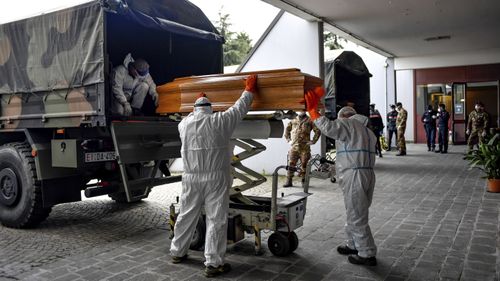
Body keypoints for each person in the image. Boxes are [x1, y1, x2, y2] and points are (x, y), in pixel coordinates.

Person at [170, 75, 258, 277]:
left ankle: (177, 251)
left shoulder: (184, 125)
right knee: (216, 218)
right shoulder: (221, 121)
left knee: (186, 214)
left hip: (191, 178)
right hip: (215, 178)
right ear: (211, 108)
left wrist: (197, 104)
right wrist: (249, 90)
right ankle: (213, 262)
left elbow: (191, 116)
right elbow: (239, 108)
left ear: (194, 109)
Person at [305, 89, 378, 266]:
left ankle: (366, 253)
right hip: (365, 174)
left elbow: (329, 128)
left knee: (357, 214)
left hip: (355, 176)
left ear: (344, 117)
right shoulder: (367, 132)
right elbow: (351, 153)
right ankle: (353, 244)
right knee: (355, 211)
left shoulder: (349, 125)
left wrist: (314, 113)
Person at [283, 111, 321, 187]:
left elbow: (317, 130)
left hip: (305, 147)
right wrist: (288, 140)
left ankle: (304, 181)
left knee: (304, 164)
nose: (301, 111)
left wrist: (313, 141)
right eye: (299, 110)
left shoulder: (310, 120)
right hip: (294, 147)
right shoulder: (293, 119)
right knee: (291, 163)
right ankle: (289, 180)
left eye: (303, 110)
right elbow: (287, 129)